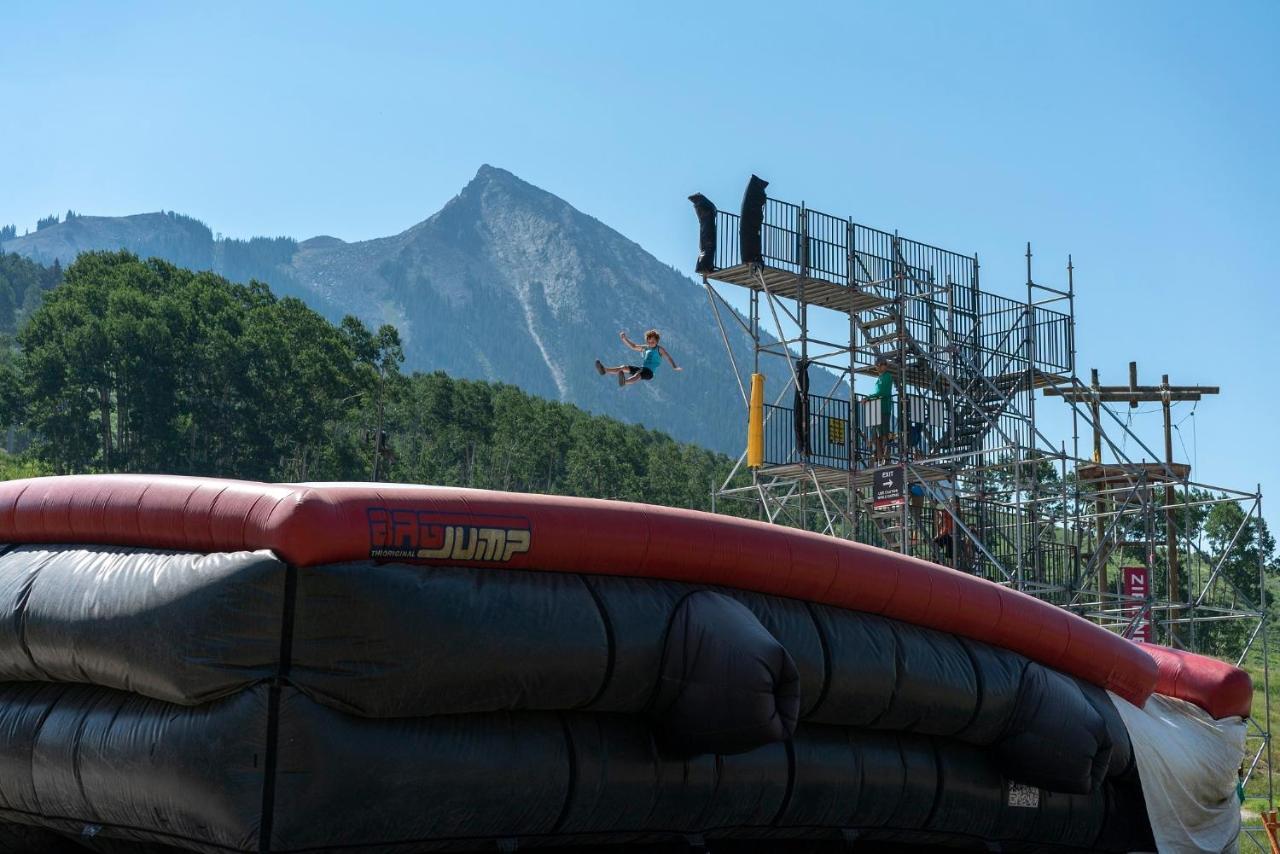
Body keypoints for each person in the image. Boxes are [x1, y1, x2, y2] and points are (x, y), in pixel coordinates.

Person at [596, 329, 681, 387]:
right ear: (647, 341)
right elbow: (633, 346)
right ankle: (604, 370)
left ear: (657, 341)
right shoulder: (645, 348)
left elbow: (668, 357)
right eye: (649, 341)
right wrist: (624, 339)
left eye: (653, 342)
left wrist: (674, 366)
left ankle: (624, 382)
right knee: (623, 367)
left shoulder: (659, 349)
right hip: (642, 368)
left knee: (638, 375)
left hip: (649, 373)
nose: (651, 343)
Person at [867, 356, 894, 463]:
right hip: (877, 408)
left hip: (884, 409)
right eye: (877, 365)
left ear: (884, 366)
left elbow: (883, 393)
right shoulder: (880, 378)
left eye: (880, 365)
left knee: (883, 433)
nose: (878, 367)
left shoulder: (887, 376)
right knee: (876, 433)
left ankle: (885, 455)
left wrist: (869, 397)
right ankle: (878, 455)